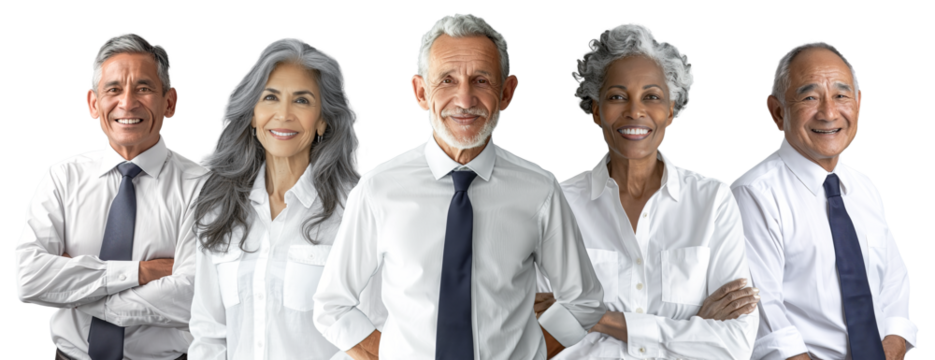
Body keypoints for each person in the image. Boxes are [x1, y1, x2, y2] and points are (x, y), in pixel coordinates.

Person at [313, 12, 606, 360]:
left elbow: (584, 302)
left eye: (481, 80)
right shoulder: (378, 189)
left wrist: (532, 352)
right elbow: (332, 306)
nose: (465, 100)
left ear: (507, 92)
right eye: (447, 80)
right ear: (421, 93)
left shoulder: (540, 190)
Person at [533, 21, 759, 359]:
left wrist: (599, 319)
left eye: (651, 96)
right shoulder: (557, 205)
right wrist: (692, 329)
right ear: (595, 109)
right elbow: (542, 343)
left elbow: (735, 345)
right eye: (616, 96)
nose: (635, 110)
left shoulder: (713, 200)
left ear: (671, 109)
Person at [187, 37, 384, 360]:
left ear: (323, 120)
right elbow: (209, 334)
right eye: (270, 98)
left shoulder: (357, 209)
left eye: (302, 101)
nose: (283, 114)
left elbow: (370, 331)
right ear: (252, 115)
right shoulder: (218, 208)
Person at [13, 31, 202, 360]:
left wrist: (73, 288)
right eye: (113, 89)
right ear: (93, 103)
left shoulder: (202, 187)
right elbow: (29, 279)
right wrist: (140, 272)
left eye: (143, 88)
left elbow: (194, 297)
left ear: (169, 102)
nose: (127, 103)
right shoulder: (61, 178)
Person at [731, 39, 920, 360]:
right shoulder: (753, 193)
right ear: (777, 112)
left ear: (859, 104)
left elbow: (894, 281)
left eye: (841, 95)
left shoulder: (865, 187)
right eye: (809, 97)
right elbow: (762, 313)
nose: (829, 112)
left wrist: (895, 341)